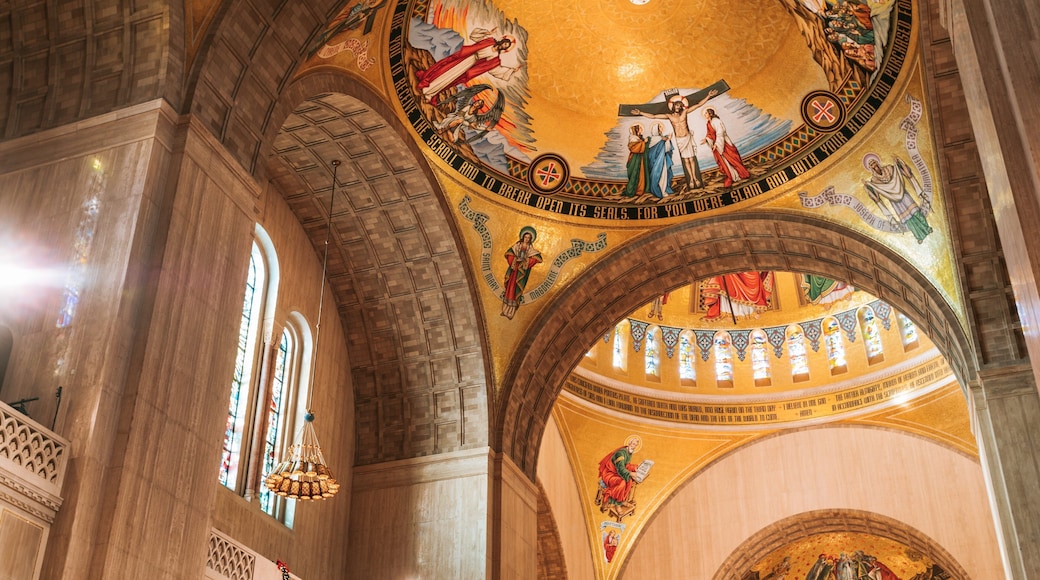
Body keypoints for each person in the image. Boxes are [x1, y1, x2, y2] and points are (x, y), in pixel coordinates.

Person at [630, 88, 718, 190]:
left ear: (682, 106)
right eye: (676, 105)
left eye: (680, 105)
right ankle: (690, 180)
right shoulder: (669, 116)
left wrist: (709, 96)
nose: (678, 107)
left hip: (687, 137)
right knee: (686, 160)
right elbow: (653, 116)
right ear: (673, 106)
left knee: (691, 159)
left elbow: (698, 105)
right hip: (680, 140)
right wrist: (640, 112)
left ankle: (695, 178)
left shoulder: (685, 112)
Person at [415, 29, 520, 106]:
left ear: (505, 49)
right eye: (505, 43)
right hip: (465, 57)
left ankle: (430, 93)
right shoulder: (489, 41)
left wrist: (511, 71)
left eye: (506, 46)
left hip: (469, 64)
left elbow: (495, 70)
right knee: (444, 70)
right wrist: (486, 33)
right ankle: (427, 85)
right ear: (502, 40)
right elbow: (474, 35)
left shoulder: (495, 58)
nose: (504, 45)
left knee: (451, 78)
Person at [862, 153, 933, 243]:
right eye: (872, 166)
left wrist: (898, 163)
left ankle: (927, 227)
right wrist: (868, 187)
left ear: (878, 163)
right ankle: (918, 236)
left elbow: (902, 172)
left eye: (875, 163)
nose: (875, 167)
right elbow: (877, 197)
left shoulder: (889, 168)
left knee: (916, 212)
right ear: (871, 168)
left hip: (904, 195)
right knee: (908, 220)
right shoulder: (874, 180)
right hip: (895, 202)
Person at [702, 107, 750, 188]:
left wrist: (717, 144)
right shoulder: (708, 123)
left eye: (706, 113)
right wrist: (706, 139)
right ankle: (731, 175)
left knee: (732, 159)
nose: (705, 115)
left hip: (724, 144)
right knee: (724, 161)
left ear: (710, 113)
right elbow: (709, 134)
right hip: (717, 144)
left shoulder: (716, 121)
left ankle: (740, 173)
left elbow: (720, 133)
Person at [500, 227, 541, 319]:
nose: (526, 239)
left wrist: (526, 260)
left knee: (516, 292)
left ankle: (511, 313)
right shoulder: (517, 245)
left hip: (521, 273)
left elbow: (536, 258)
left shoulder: (531, 248)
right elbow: (510, 254)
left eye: (528, 238)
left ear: (530, 239)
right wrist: (515, 260)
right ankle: (504, 310)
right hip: (514, 271)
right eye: (525, 237)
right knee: (509, 290)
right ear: (522, 237)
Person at [597, 436, 642, 513]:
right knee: (622, 482)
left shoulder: (629, 452)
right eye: (633, 444)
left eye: (635, 445)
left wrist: (636, 467)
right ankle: (617, 504)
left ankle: (622, 500)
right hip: (609, 474)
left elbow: (626, 465)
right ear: (629, 443)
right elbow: (620, 468)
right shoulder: (621, 453)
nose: (634, 446)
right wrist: (631, 473)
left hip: (616, 473)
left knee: (629, 481)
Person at [645, 122, 674, 198]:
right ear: (657, 129)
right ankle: (661, 191)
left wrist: (667, 140)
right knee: (661, 175)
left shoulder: (654, 139)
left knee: (660, 175)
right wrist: (668, 140)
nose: (662, 128)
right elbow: (666, 149)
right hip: (659, 162)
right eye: (660, 127)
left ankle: (661, 190)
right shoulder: (660, 139)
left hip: (656, 161)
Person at [625, 124, 649, 197]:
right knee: (635, 174)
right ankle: (634, 190)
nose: (641, 130)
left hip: (640, 159)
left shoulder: (639, 138)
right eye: (640, 128)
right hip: (635, 159)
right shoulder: (633, 138)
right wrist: (643, 142)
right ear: (636, 130)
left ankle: (640, 189)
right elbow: (634, 148)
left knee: (641, 174)